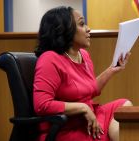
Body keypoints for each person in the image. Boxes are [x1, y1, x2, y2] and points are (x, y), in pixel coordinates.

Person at [33, 6, 132, 141]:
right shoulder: (49, 59)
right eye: (81, 24)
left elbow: (90, 90)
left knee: (124, 106)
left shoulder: (83, 55)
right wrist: (83, 108)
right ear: (64, 30)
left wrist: (112, 69)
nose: (88, 28)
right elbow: (42, 105)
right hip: (66, 128)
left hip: (89, 120)